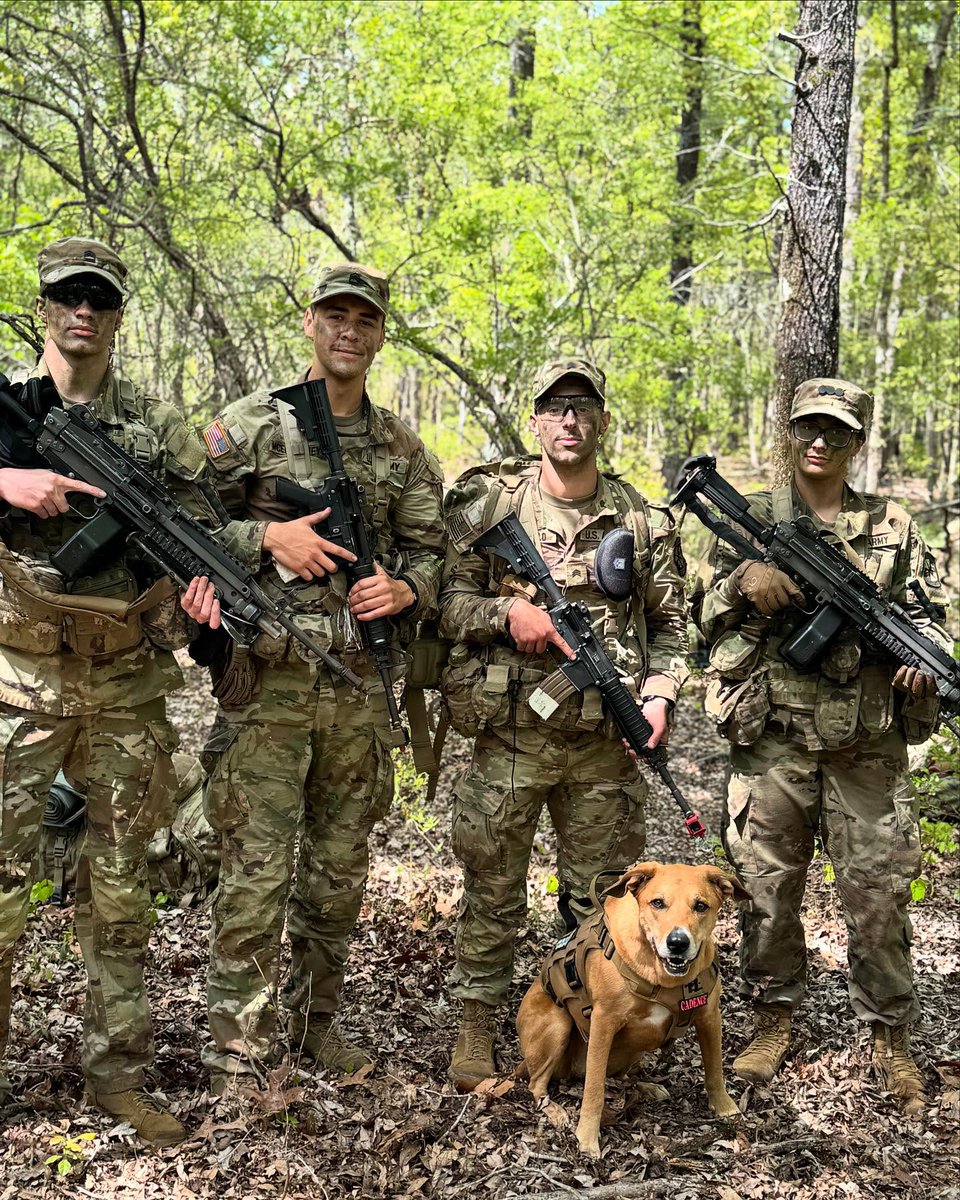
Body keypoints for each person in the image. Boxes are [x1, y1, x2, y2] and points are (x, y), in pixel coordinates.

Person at [182, 262, 445, 1096]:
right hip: (268, 688)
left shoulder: (402, 445)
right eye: (335, 315)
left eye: (364, 320)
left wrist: (407, 588)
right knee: (256, 871)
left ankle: (312, 1026)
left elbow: (439, 553)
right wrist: (267, 544)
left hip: (361, 692)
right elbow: (174, 517)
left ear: (378, 334)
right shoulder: (251, 426)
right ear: (310, 323)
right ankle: (238, 1052)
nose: (349, 331)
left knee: (338, 873)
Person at [0, 237, 217, 1145]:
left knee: (122, 892)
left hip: (126, 688)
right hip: (17, 686)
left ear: (119, 313)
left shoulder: (157, 426)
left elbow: (201, 530)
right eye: (66, 296)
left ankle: (116, 1079)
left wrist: (203, 597)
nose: (81, 311)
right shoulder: (7, 408)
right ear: (44, 306)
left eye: (98, 297)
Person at [696, 377, 952, 1115]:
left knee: (877, 895)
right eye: (809, 427)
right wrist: (746, 579)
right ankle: (773, 1018)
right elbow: (697, 617)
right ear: (789, 429)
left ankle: (889, 1033)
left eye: (837, 432)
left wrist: (923, 661)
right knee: (767, 891)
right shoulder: (754, 518)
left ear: (858, 441)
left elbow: (930, 617)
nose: (820, 442)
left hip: (865, 746)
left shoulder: (893, 526)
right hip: (773, 737)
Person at [438, 357, 688, 1091]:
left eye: (583, 407)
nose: (570, 420)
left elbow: (672, 626)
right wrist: (505, 613)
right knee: (493, 886)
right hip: (510, 738)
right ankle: (478, 1023)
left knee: (603, 898)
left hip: (602, 751)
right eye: (556, 407)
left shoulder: (641, 520)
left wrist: (659, 696)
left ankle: (590, 1028)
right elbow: (446, 604)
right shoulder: (495, 504)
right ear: (537, 421)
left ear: (603, 421)